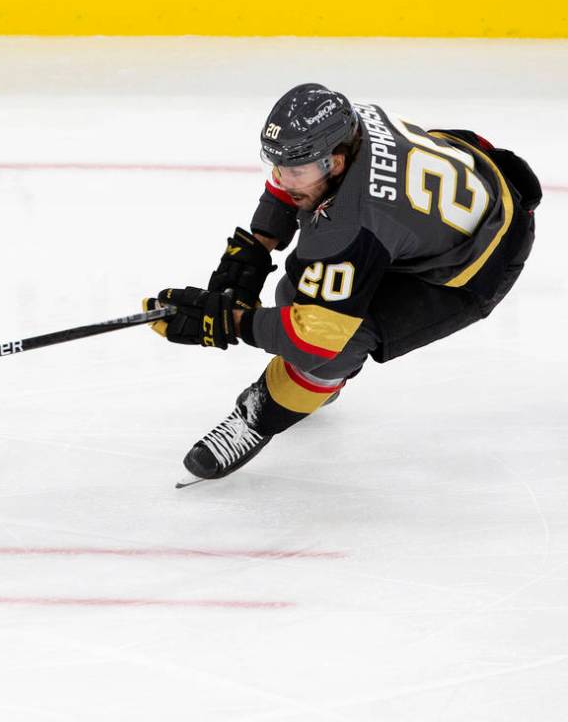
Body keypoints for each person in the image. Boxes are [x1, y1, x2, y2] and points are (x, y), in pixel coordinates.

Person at [145, 83, 539, 482]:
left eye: (296, 170)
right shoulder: (345, 126)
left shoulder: (354, 221)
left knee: (333, 347)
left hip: (480, 261)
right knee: (301, 289)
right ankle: (317, 387)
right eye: (276, 165)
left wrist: (231, 322)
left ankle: (258, 416)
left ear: (334, 163)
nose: (282, 177)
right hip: (460, 193)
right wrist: (254, 251)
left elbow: (315, 338)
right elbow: (290, 182)